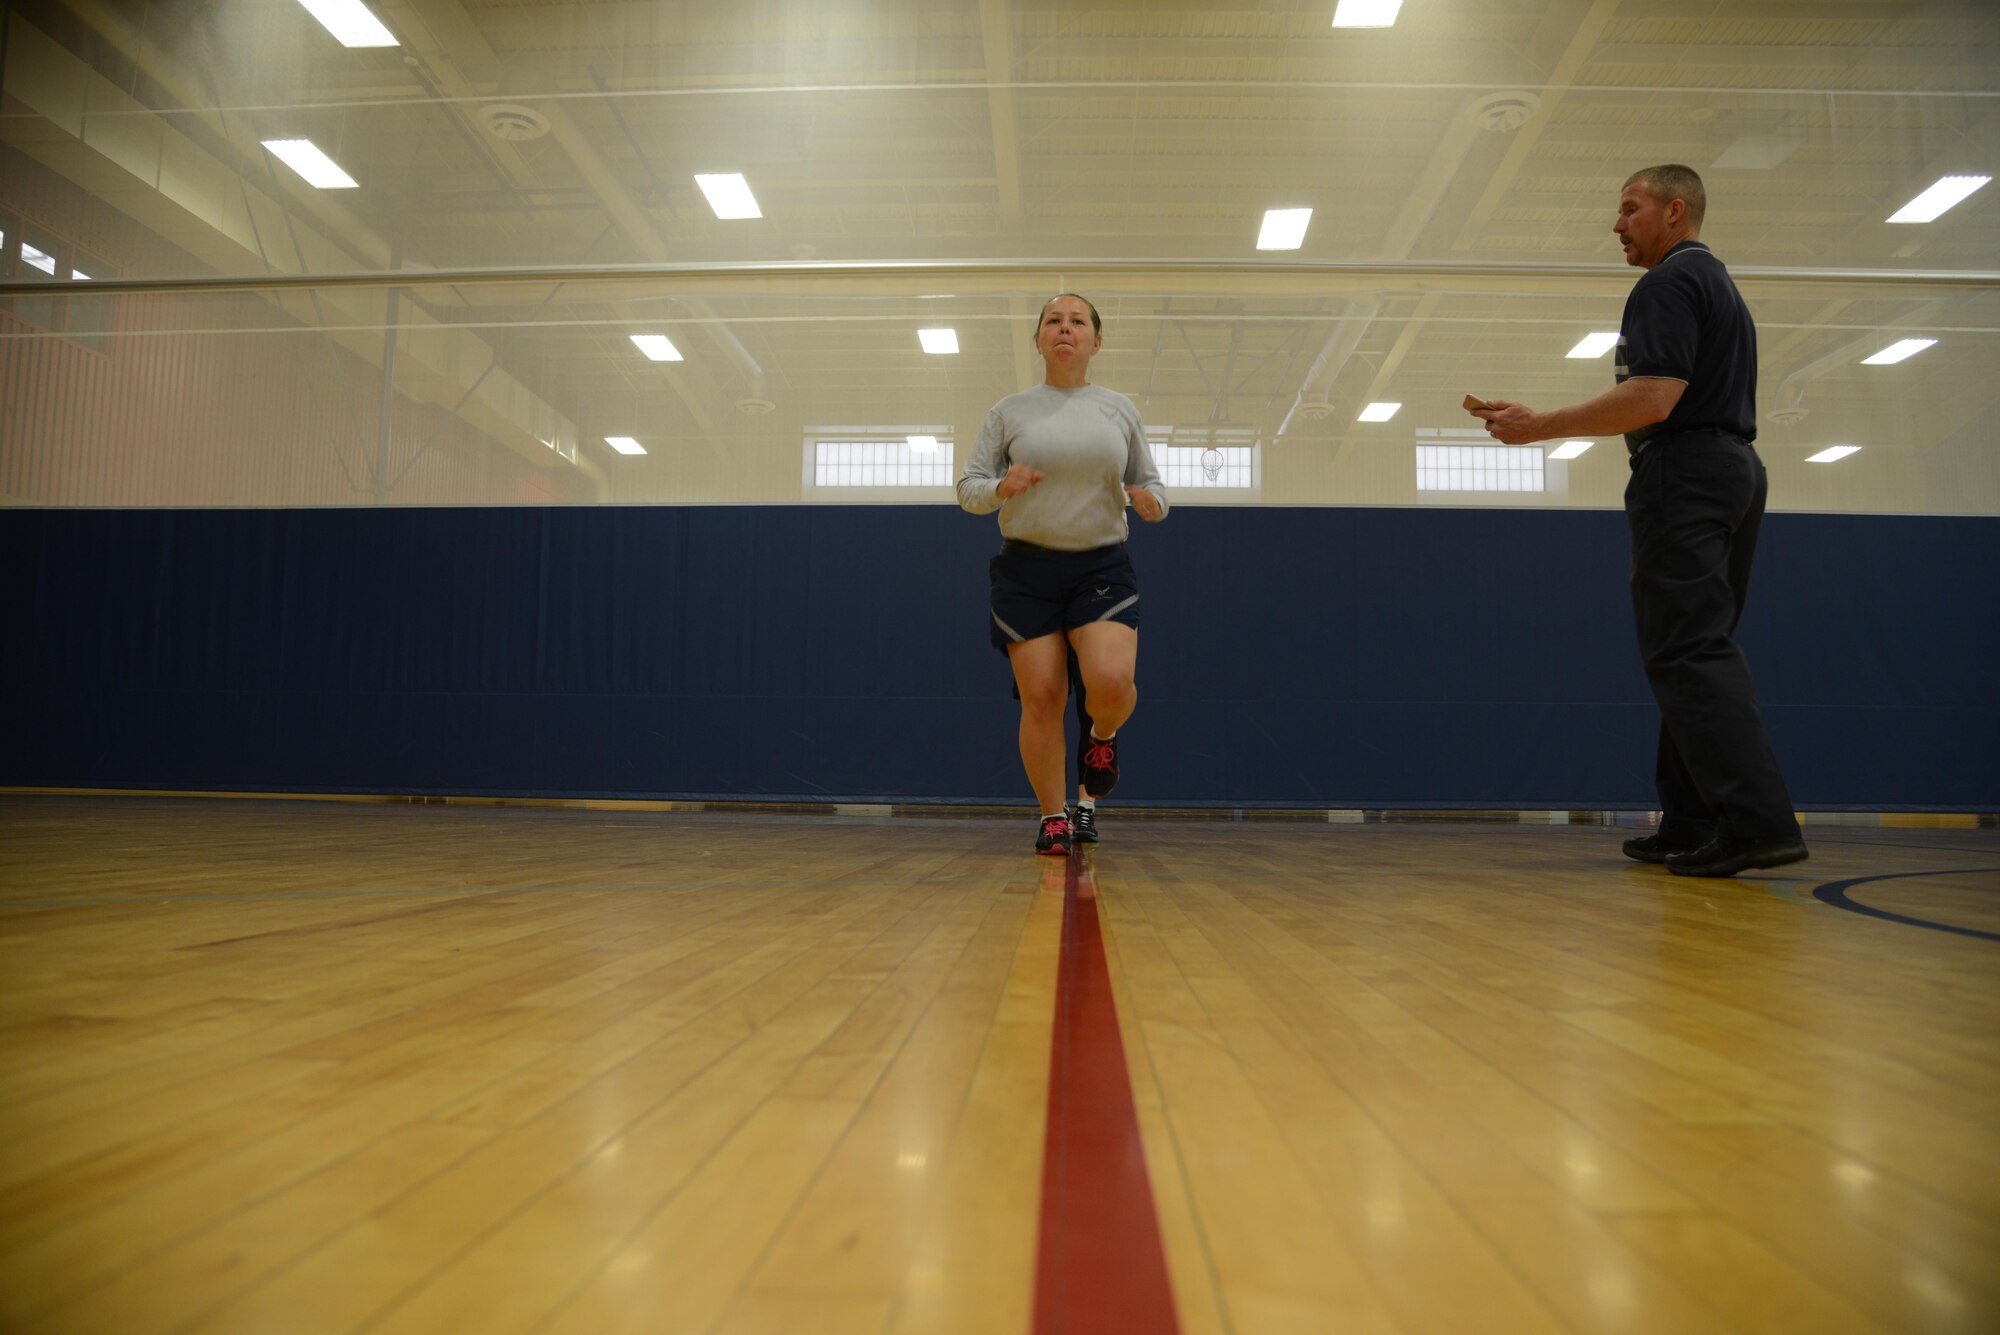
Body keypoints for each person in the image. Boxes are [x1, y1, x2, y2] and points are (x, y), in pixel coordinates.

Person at [1470, 165, 1807, 879]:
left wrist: (1540, 427)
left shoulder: (1667, 283)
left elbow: (1653, 398)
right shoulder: (1715, 283)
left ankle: (1754, 823)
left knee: (1687, 649)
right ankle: (1691, 819)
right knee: (1693, 646)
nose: (1616, 224)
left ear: (1674, 212)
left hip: (1685, 471)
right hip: (1730, 470)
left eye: (1630, 209)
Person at [958, 294, 1168, 855]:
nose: (1065, 328)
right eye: (1054, 320)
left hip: (1100, 563)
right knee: (1044, 696)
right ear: (1038, 340)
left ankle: (1102, 739)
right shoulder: (1009, 412)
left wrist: (1152, 503)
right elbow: (969, 488)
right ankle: (1056, 816)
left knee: (1109, 685)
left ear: (1096, 343)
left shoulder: (1119, 410)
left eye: (1077, 321)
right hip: (1027, 568)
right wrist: (1001, 487)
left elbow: (1154, 483)